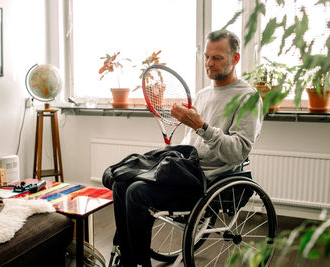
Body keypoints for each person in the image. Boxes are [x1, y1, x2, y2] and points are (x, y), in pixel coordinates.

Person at [112, 30, 263, 267]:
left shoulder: (248, 98)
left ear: (235, 59)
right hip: (185, 172)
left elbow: (237, 152)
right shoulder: (202, 95)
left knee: (136, 192)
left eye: (217, 58)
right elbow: (193, 146)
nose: (209, 64)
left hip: (207, 182)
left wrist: (201, 126)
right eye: (206, 57)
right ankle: (128, 256)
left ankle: (137, 263)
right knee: (121, 181)